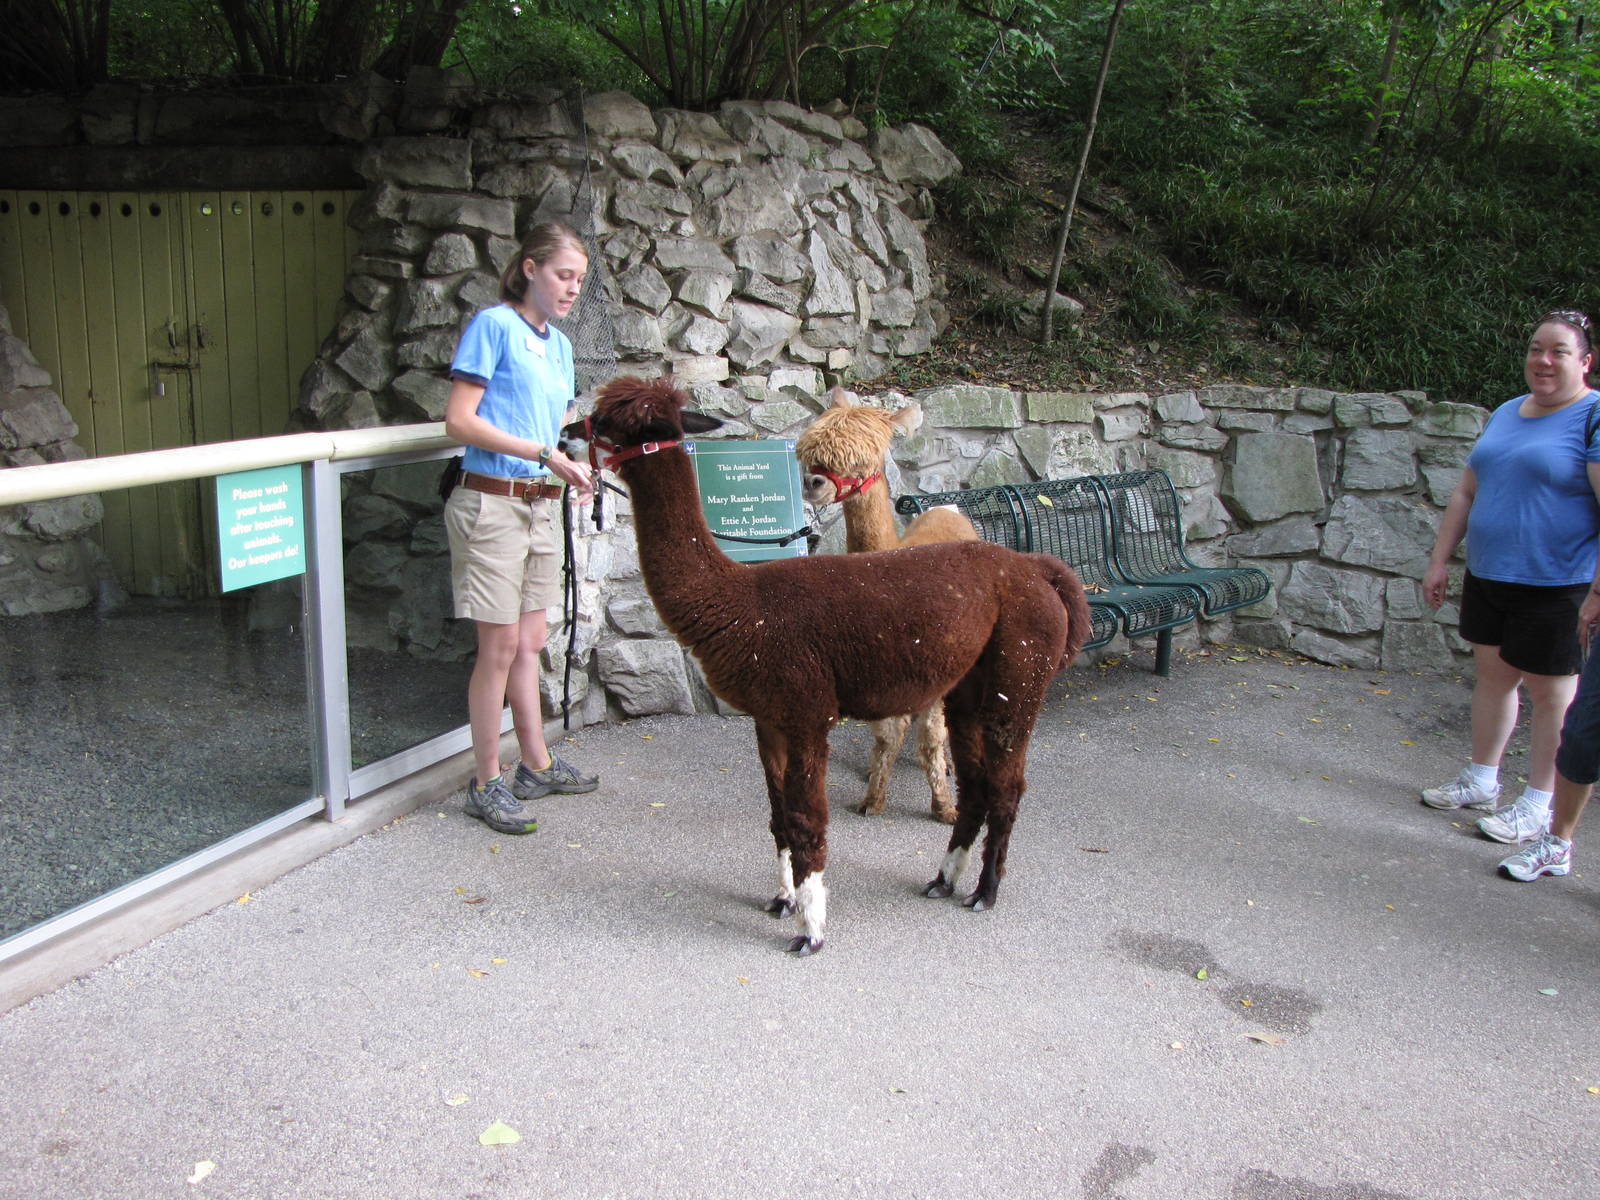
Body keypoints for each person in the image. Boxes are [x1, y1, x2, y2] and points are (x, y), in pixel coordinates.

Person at [442, 221, 600, 835]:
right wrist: (541, 452)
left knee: (532, 642)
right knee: (500, 647)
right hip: (491, 503)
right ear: (530, 268)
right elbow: (460, 421)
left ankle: (535, 763)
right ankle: (486, 781)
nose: (572, 290)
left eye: (580, 281)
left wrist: (571, 464)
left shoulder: (558, 345)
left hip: (539, 503)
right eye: (564, 275)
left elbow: (554, 429)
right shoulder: (493, 326)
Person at [1421, 309, 1599, 845]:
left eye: (1559, 351)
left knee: (1552, 695)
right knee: (1494, 679)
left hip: (1557, 582)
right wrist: (1439, 559)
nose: (1543, 360)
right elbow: (1467, 491)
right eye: (1535, 348)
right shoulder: (1506, 412)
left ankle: (1539, 805)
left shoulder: (1591, 416)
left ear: (1585, 362)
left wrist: (1597, 593)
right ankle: (1481, 778)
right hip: (1493, 574)